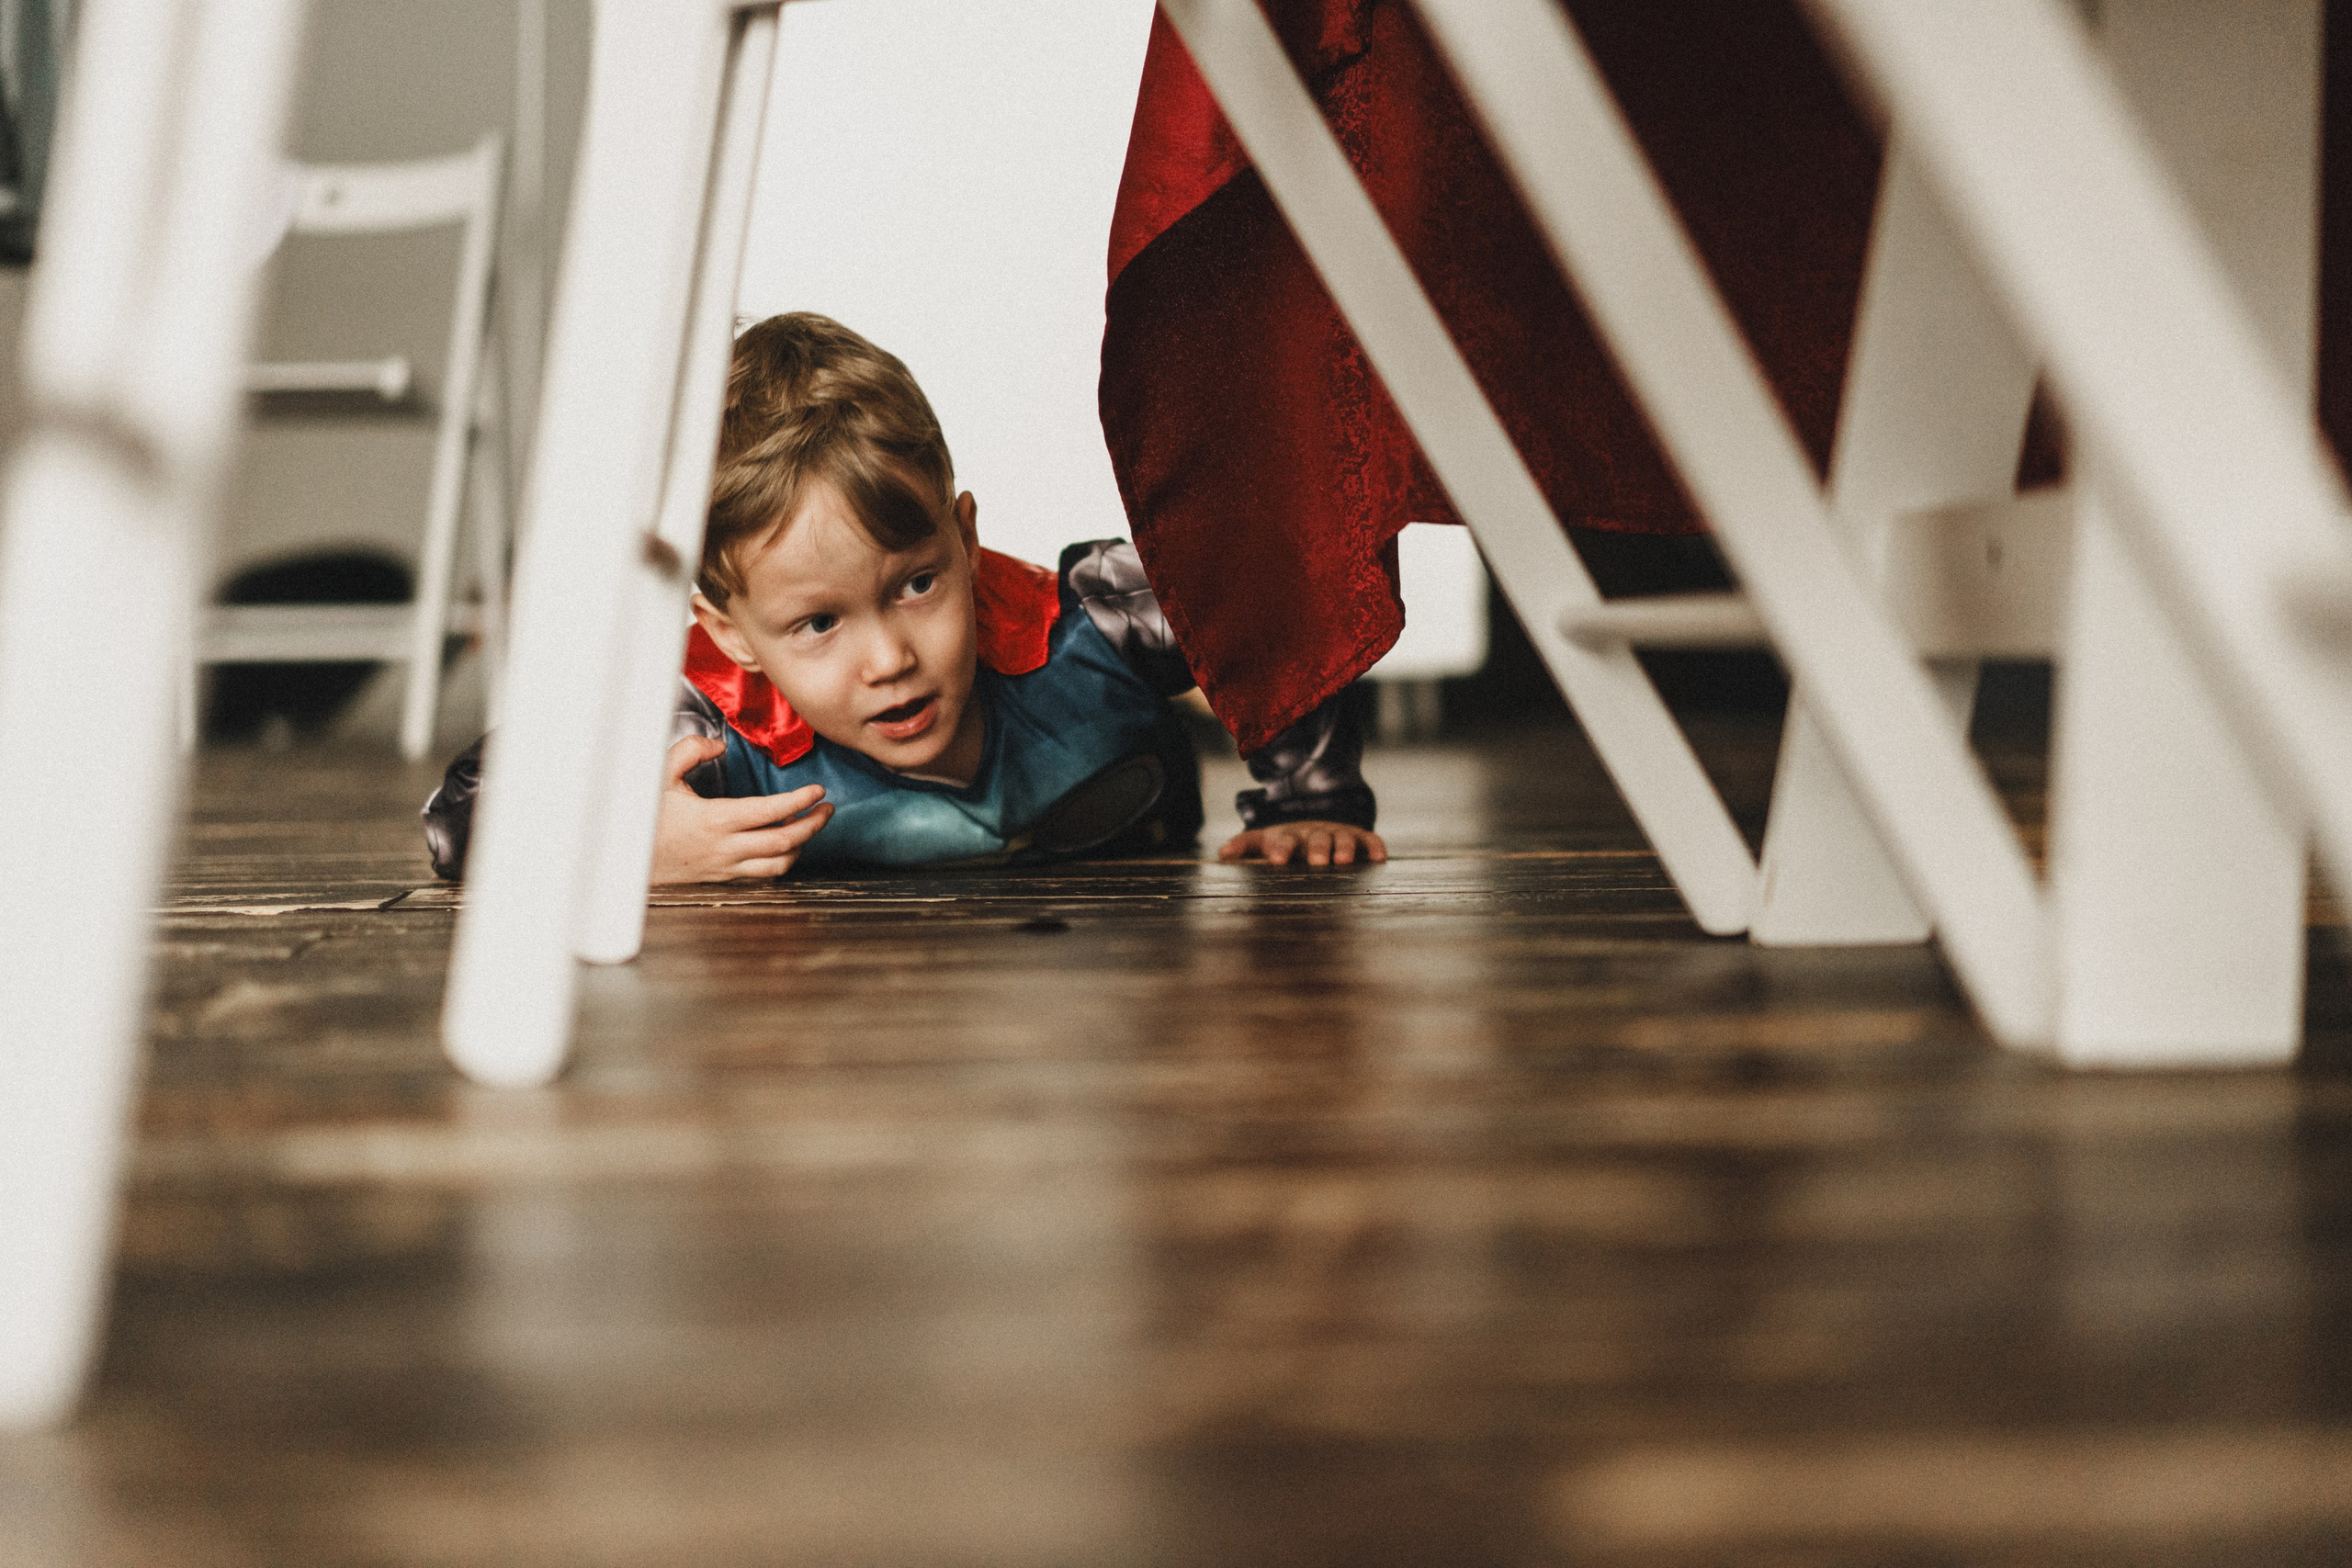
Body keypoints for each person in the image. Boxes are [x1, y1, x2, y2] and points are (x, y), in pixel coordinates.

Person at [424, 311, 1386, 883]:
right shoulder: (711, 725)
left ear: (965, 539)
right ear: (733, 634)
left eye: (916, 584)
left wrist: (1310, 798)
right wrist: (625, 848)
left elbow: (1267, 597)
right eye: (816, 624)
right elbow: (460, 809)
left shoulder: (1087, 622)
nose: (887, 658)